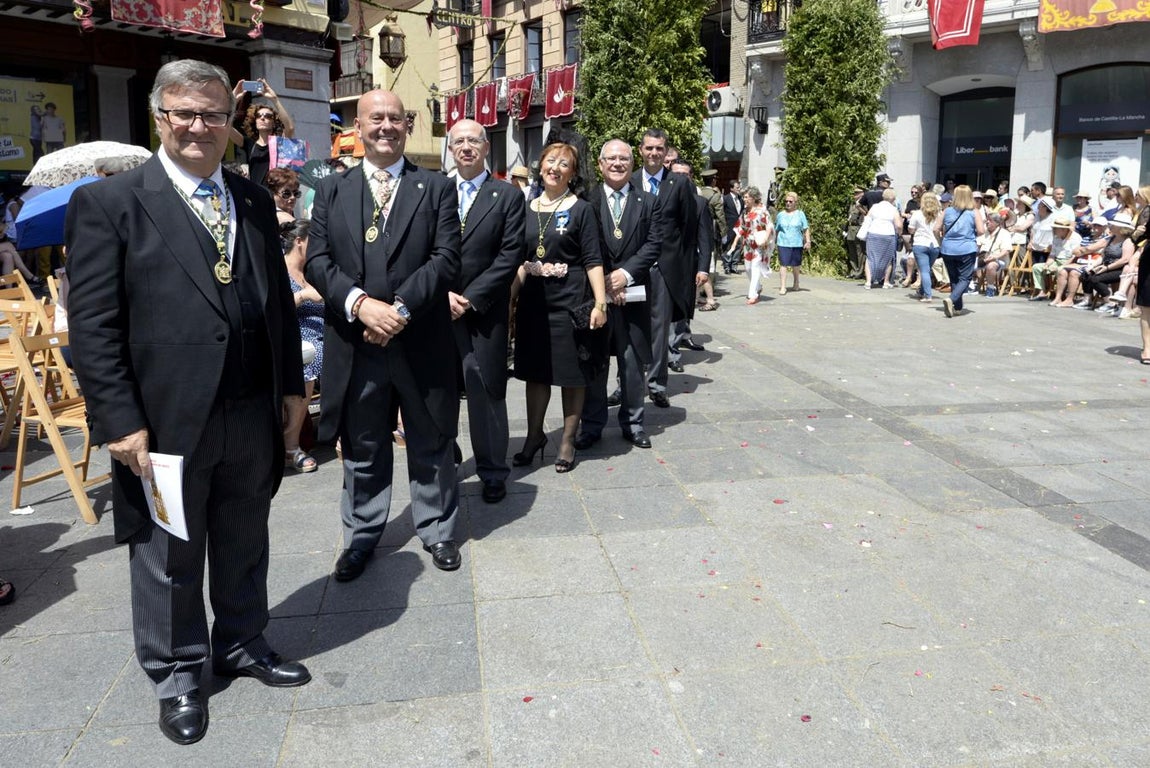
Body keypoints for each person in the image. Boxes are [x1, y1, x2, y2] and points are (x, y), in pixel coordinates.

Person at [64, 59, 309, 747]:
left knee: (243, 535)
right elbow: (95, 327)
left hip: (248, 411)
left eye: (213, 114)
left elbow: (278, 311)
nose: (200, 126)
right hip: (165, 422)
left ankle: (242, 641)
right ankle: (177, 673)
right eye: (185, 113)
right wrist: (119, 421)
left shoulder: (253, 199)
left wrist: (292, 389)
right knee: (169, 553)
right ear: (160, 118)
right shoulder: (111, 204)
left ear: (232, 123)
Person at [306, 89, 463, 578]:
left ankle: (437, 528)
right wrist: (361, 306)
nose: (386, 127)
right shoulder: (333, 189)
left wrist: (396, 311)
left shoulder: (436, 187)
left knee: (430, 437)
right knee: (363, 442)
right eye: (377, 119)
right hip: (357, 342)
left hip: (420, 339)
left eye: (395, 119)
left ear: (407, 126)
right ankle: (362, 536)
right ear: (358, 125)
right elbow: (317, 260)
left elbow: (446, 259)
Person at [510, 141, 608, 472]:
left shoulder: (581, 209)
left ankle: (567, 440)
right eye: (550, 161)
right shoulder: (526, 207)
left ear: (573, 173)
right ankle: (534, 436)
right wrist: (510, 298)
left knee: (572, 374)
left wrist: (600, 302)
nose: (555, 167)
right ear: (540, 165)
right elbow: (521, 260)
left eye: (564, 164)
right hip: (534, 305)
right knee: (535, 375)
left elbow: (593, 259)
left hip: (570, 302)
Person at [446, 119, 525, 503]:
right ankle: (445, 458)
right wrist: (441, 294)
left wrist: (470, 298)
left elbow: (510, 254)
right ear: (450, 148)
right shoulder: (436, 191)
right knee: (438, 389)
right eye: (458, 141)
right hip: (439, 309)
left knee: (487, 391)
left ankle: (493, 470)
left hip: (483, 312)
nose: (466, 147)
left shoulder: (507, 195)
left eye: (473, 141)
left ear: (485, 148)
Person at [575, 138, 661, 451]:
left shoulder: (649, 201)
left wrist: (624, 276)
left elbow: (653, 244)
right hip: (597, 297)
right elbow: (584, 245)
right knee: (595, 362)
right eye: (610, 158)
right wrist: (606, 284)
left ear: (632, 163)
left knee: (632, 362)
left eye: (624, 158)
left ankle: (634, 423)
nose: (617, 163)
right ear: (600, 164)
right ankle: (593, 425)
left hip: (634, 295)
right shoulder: (586, 200)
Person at [633, 129, 698, 410]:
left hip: (663, 267)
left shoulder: (679, 184)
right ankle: (627, 383)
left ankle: (657, 384)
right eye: (649, 148)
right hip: (633, 266)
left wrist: (680, 268)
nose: (654, 153)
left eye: (659, 148)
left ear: (666, 152)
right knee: (630, 327)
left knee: (659, 329)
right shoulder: (629, 180)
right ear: (641, 150)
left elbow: (688, 229)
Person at [280, 218, 323, 473]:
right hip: (296, 336)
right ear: (299, 241)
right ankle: (290, 445)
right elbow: (276, 309)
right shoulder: (279, 271)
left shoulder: (312, 271)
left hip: (324, 335)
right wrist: (303, 295)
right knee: (309, 360)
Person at [230, 79, 295, 188]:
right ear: (254, 121)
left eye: (268, 116)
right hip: (255, 195)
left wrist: (274, 99)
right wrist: (233, 102)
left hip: (274, 197)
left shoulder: (278, 143)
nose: (263, 118)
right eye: (259, 116)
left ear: (274, 122)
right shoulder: (249, 143)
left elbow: (290, 128)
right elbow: (227, 128)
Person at [936, 184, 986, 317]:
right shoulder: (974, 212)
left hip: (948, 248)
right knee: (965, 278)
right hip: (966, 248)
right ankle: (951, 299)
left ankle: (957, 307)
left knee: (954, 278)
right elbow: (981, 231)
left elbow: (936, 229)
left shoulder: (947, 211)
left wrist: (941, 242)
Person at [726, 185, 774, 304]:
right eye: (743, 197)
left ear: (753, 198)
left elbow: (769, 226)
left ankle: (753, 294)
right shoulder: (745, 211)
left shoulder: (762, 210)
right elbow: (741, 228)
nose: (744, 199)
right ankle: (758, 287)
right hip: (748, 244)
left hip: (759, 244)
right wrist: (734, 243)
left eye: (746, 197)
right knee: (747, 268)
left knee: (755, 267)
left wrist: (766, 240)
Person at [1079, 214, 1135, 314]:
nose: (1110, 226)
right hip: (1106, 265)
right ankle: (1087, 300)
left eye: (1113, 225)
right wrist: (1092, 266)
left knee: (1095, 279)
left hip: (1119, 268)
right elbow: (1103, 256)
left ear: (1120, 228)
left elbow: (1125, 260)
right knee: (1086, 274)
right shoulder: (1111, 239)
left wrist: (1107, 268)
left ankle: (1110, 303)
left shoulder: (1128, 241)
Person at [862, 187, 903, 289]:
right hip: (888, 235)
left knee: (870, 257)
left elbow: (867, 218)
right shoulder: (894, 209)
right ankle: (886, 282)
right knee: (888, 258)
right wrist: (899, 234)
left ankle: (868, 282)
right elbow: (898, 225)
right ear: (893, 199)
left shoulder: (875, 207)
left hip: (873, 234)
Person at [907, 190, 941, 302]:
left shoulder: (917, 213)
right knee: (927, 269)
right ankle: (922, 291)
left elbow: (911, 230)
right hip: (935, 245)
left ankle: (928, 295)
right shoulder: (939, 214)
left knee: (924, 271)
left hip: (921, 244)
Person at [774, 190, 809, 295]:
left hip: (797, 243)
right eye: (786, 201)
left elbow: (806, 228)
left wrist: (808, 241)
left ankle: (796, 281)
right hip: (783, 243)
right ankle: (783, 286)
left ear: (795, 203)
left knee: (796, 265)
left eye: (790, 201)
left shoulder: (800, 214)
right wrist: (773, 242)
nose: (788, 203)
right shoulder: (780, 215)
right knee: (783, 264)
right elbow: (776, 229)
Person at [976, 211, 1012, 296]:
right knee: (965, 261)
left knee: (991, 265)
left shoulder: (1004, 233)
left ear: (997, 223)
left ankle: (990, 288)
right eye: (987, 220)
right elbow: (976, 245)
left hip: (999, 259)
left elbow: (1006, 251)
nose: (987, 222)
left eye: (990, 220)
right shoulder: (985, 233)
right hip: (983, 258)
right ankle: (968, 286)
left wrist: (995, 257)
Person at [845, 186, 867, 280]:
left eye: (857, 193)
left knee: (860, 251)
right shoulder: (852, 204)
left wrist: (860, 206)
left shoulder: (864, 204)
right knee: (852, 251)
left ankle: (860, 272)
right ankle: (854, 271)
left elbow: (866, 213)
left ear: (862, 193)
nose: (855, 195)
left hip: (859, 227)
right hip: (851, 228)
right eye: (854, 193)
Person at [722, 179, 743, 274]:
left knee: (738, 246)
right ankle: (727, 266)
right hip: (728, 226)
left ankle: (734, 266)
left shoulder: (741, 199)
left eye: (739, 187)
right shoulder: (725, 199)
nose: (739, 189)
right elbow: (721, 213)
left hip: (738, 227)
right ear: (731, 189)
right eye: (737, 187)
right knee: (727, 246)